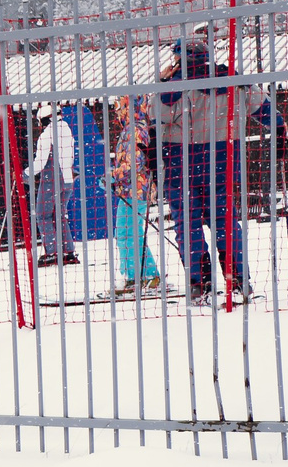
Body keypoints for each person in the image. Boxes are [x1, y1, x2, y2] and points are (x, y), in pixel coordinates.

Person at [150, 37, 245, 297]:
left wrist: (160, 84)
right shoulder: (228, 78)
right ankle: (236, 278)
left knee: (187, 223)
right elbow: (262, 105)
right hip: (220, 160)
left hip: (180, 164)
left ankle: (198, 281)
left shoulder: (172, 88)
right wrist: (278, 127)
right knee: (224, 220)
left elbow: (155, 117)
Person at [105, 97, 163, 293]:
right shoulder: (132, 129)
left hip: (135, 190)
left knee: (129, 234)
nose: (117, 112)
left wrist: (111, 177)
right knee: (126, 233)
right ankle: (138, 275)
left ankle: (144, 275)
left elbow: (134, 163)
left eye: (120, 108)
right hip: (131, 189)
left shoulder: (135, 130)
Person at [24, 105, 81, 266]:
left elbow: (40, 162)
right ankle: (68, 251)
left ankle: (52, 252)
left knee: (43, 215)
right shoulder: (67, 131)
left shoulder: (47, 134)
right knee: (60, 215)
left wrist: (25, 175)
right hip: (67, 180)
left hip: (51, 179)